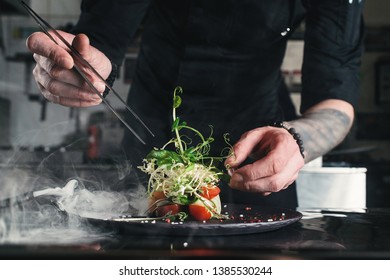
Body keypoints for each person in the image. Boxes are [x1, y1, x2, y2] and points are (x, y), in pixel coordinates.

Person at [26, 0, 365, 209]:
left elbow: (334, 101)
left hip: (262, 147)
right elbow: (99, 39)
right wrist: (81, 66)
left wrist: (298, 140)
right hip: (152, 139)